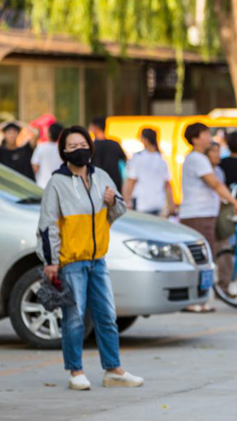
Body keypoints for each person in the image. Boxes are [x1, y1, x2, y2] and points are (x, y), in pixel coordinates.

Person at [36, 125, 143, 390]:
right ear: (64, 151)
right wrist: (51, 261)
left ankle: (113, 369)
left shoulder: (101, 176)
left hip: (98, 260)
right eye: (72, 146)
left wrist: (113, 201)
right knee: (74, 318)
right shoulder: (57, 183)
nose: (79, 150)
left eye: (83, 145)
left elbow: (118, 210)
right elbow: (47, 225)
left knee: (106, 316)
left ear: (90, 147)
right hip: (71, 261)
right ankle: (76, 371)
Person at [179, 123, 237, 313]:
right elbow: (215, 184)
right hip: (198, 215)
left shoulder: (198, 158)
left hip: (202, 214)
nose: (209, 137)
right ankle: (197, 299)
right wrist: (235, 203)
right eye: (205, 134)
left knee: (204, 258)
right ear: (195, 139)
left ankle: (201, 298)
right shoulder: (197, 158)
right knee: (202, 259)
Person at [123, 128, 175, 216]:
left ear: (145, 140)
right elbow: (167, 185)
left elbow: (131, 181)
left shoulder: (138, 157)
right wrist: (171, 205)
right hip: (159, 204)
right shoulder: (162, 159)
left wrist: (127, 201)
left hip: (141, 204)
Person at [89, 116, 126, 191]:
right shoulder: (115, 144)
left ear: (96, 127)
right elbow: (124, 160)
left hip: (97, 183)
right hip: (114, 184)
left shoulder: (92, 146)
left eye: (91, 126)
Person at [32, 123, 64, 188]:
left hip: (42, 185)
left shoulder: (41, 147)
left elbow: (35, 166)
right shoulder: (62, 149)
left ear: (49, 133)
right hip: (58, 185)